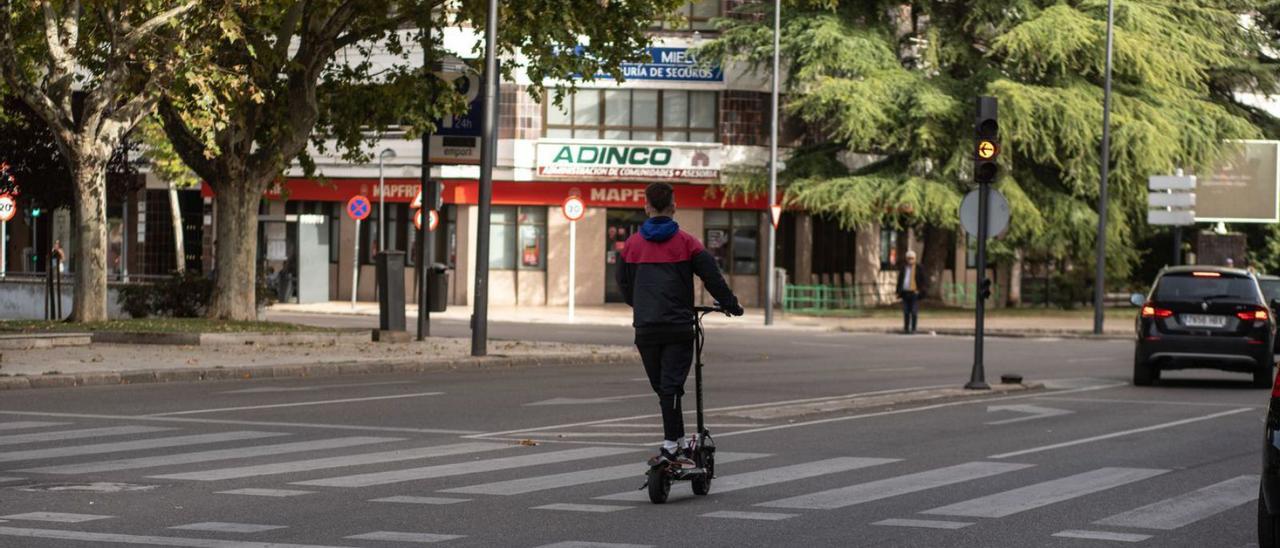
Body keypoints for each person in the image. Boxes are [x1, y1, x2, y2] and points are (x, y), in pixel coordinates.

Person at [617, 182, 744, 468]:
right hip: (678, 328)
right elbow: (712, 278)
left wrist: (641, 304)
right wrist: (731, 305)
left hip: (646, 328)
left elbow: (623, 284)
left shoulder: (632, 244)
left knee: (664, 388)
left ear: (646, 206)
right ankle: (674, 444)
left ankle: (676, 443)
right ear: (674, 206)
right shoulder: (688, 243)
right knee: (671, 387)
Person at [897, 249, 924, 334]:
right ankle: (906, 328)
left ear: (915, 258)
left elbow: (923, 280)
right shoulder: (904, 268)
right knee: (906, 311)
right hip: (905, 292)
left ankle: (913, 328)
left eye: (912, 258)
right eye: (909, 258)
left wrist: (919, 291)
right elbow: (900, 279)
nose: (910, 260)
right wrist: (898, 291)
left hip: (914, 292)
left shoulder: (919, 268)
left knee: (914, 311)